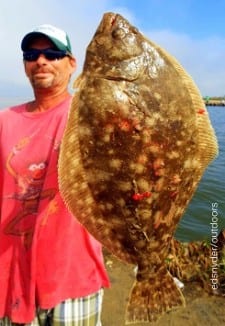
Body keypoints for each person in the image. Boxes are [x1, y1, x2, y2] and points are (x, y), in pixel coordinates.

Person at [0, 24, 110, 326]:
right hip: (12, 277)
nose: (41, 61)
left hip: (73, 274)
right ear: (24, 65)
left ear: (72, 63)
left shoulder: (92, 117)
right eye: (32, 54)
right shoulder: (5, 121)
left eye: (52, 53)